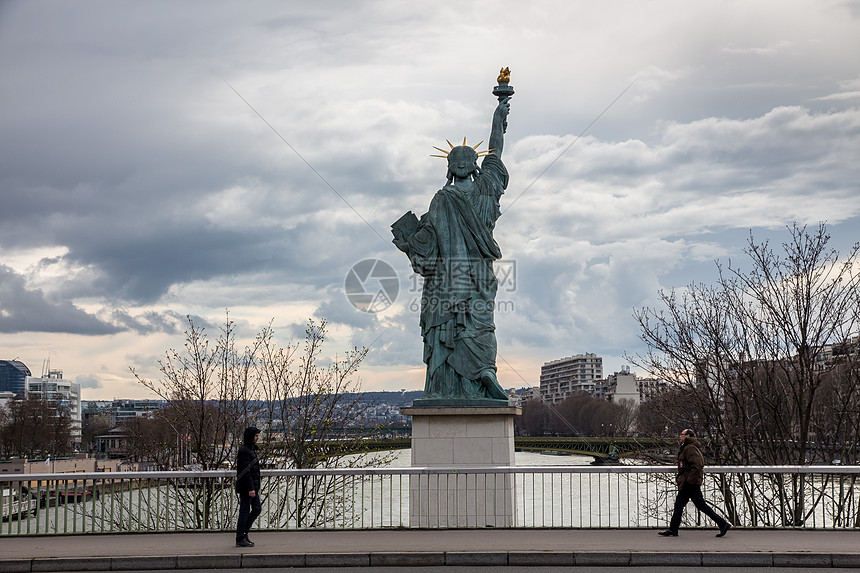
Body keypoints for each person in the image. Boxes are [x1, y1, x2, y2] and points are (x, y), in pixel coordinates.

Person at [392, 96, 511, 403]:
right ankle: (485, 370)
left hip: (445, 283)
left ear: (449, 170)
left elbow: (426, 252)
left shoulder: (440, 200)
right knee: (481, 327)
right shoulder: (486, 191)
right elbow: (495, 151)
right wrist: (498, 117)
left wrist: (407, 240)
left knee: (446, 329)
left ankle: (444, 386)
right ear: (475, 167)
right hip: (477, 279)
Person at [658, 428, 732, 537]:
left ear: (687, 436)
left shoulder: (690, 448)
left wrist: (690, 480)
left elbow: (697, 465)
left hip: (690, 483)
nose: (680, 436)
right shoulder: (687, 447)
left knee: (698, 505)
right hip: (688, 482)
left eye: (682, 434)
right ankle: (673, 529)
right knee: (682, 505)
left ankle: (723, 523)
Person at [235, 426, 262, 547]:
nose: (257, 438)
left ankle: (243, 533)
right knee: (245, 512)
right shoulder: (245, 451)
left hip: (252, 487)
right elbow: (246, 472)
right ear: (251, 437)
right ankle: (241, 536)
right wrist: (251, 488)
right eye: (256, 436)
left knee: (256, 508)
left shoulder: (250, 450)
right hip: (248, 488)